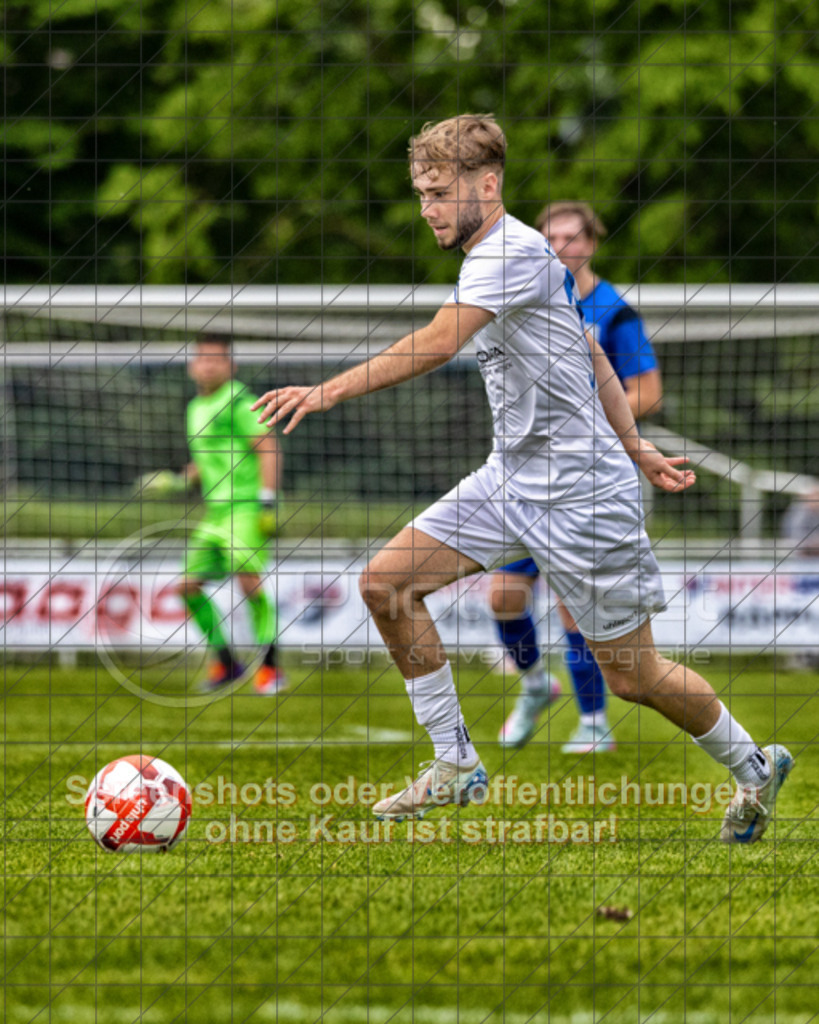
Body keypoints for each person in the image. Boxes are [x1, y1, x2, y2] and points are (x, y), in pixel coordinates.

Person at [253, 115, 792, 843]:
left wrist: (324, 391)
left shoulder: (507, 252)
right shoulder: (513, 256)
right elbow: (591, 360)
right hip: (510, 481)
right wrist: (634, 443)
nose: (427, 209)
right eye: (420, 194)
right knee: (385, 584)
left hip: (581, 497)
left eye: (438, 192)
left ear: (488, 183)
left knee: (634, 677)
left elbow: (438, 342)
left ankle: (753, 767)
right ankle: (455, 762)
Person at [492, 201, 663, 755]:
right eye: (552, 236)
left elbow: (647, 390)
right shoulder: (527, 298)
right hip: (526, 476)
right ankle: (536, 686)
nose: (561, 245)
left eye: (572, 236)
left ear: (591, 242)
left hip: (587, 478)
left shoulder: (613, 311)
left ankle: (594, 722)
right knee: (504, 596)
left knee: (573, 601)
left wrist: (589, 423)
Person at [143, 335, 285, 694]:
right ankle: (227, 661)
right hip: (215, 513)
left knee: (248, 580)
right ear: (192, 366)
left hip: (245, 507)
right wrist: (177, 481)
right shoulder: (195, 408)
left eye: (216, 359)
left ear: (230, 366)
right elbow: (208, 461)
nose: (207, 365)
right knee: (187, 587)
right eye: (202, 359)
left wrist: (268, 501)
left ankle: (270, 667)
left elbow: (268, 448)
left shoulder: (240, 400)